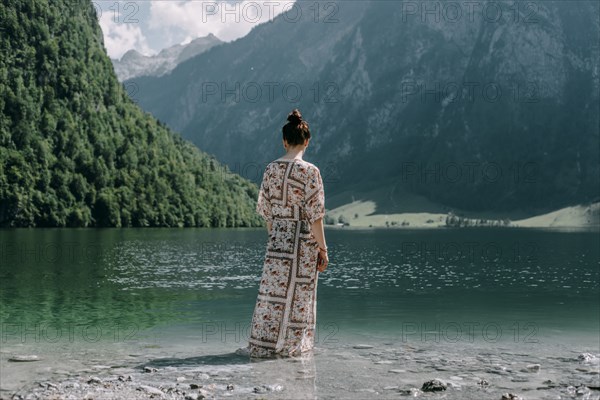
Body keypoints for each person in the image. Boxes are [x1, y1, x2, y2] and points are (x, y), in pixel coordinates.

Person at [247, 109, 328, 358]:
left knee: (272, 295)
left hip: (277, 241)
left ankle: (264, 345)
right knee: (299, 297)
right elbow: (316, 216)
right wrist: (323, 249)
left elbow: (266, 211)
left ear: (284, 141)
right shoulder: (310, 171)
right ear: (307, 141)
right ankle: (293, 347)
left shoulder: (270, 169)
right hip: (303, 242)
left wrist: (276, 235)